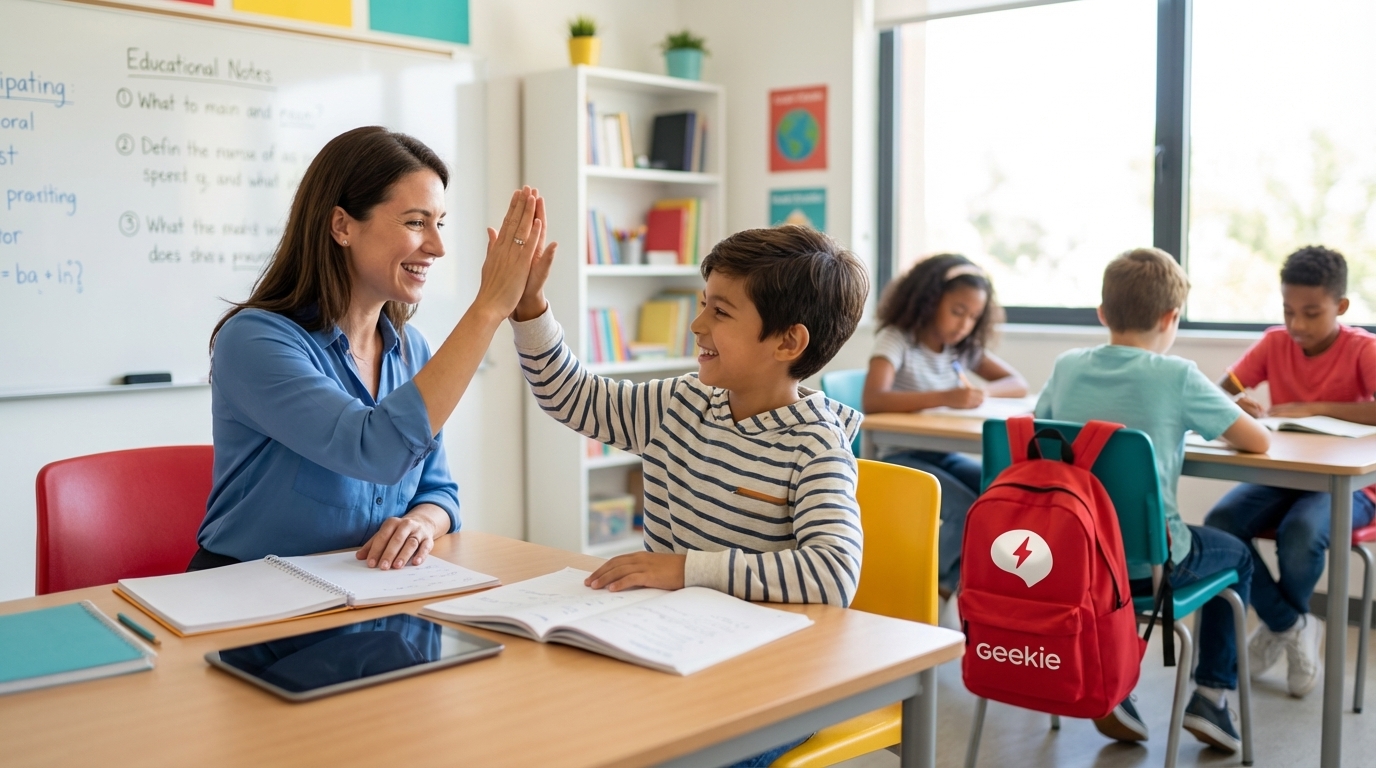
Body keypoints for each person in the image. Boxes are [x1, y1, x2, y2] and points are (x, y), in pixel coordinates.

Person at [511, 224, 868, 766]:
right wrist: (531, 309)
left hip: (768, 679)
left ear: (787, 342)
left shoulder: (816, 445)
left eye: (720, 313)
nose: (697, 324)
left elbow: (833, 574)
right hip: (666, 645)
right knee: (560, 721)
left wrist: (686, 569)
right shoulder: (683, 401)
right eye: (704, 305)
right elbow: (573, 397)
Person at [195, 126, 553, 571]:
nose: (438, 247)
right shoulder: (253, 341)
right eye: (416, 222)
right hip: (250, 595)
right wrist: (488, 308)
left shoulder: (411, 350)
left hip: (367, 591)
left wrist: (421, 524)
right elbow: (374, 449)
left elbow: (438, 492)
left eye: (439, 223)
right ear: (343, 226)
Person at [1035, 247, 1270, 754]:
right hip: (1149, 566)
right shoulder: (1178, 375)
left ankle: (1110, 678)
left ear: (1102, 314)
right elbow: (1259, 441)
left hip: (1075, 561)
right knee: (1239, 557)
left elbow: (1041, 433)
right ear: (1171, 318)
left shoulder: (1067, 365)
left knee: (1132, 552)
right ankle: (1211, 696)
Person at [1206, 246, 1376, 698]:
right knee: (1222, 523)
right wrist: (1235, 403)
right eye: (1288, 311)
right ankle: (1291, 624)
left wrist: (1312, 407)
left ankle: (1278, 628)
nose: (1297, 325)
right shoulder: (1274, 343)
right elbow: (1218, 393)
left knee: (1300, 532)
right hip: (1282, 476)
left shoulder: (1364, 349)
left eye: (1311, 313)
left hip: (1352, 487)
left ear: (1340, 307)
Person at [862, 253, 1028, 606]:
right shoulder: (898, 340)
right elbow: (873, 399)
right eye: (957, 311)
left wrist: (980, 393)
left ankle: (963, 580)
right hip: (898, 456)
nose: (964, 324)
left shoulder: (958, 349)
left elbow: (1017, 382)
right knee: (969, 508)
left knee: (999, 488)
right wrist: (948, 397)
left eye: (973, 317)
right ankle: (948, 583)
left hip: (940, 454)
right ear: (930, 299)